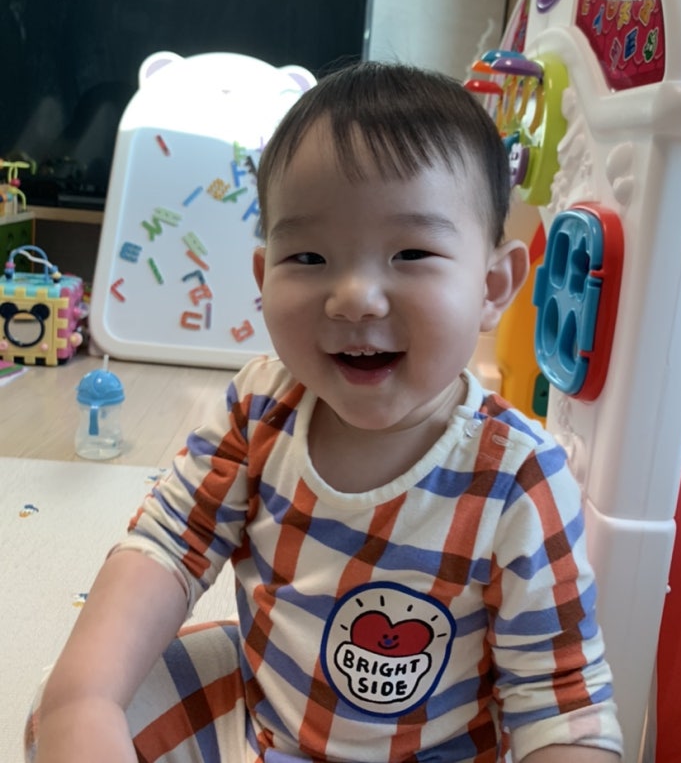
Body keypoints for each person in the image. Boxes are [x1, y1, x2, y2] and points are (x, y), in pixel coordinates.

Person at [27, 62, 622, 763]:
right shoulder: (260, 406)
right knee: (66, 707)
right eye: (308, 256)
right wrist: (84, 700)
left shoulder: (519, 477)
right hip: (266, 715)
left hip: (431, 752)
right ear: (263, 277)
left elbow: (560, 703)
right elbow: (167, 545)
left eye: (411, 252)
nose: (354, 297)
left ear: (492, 286)